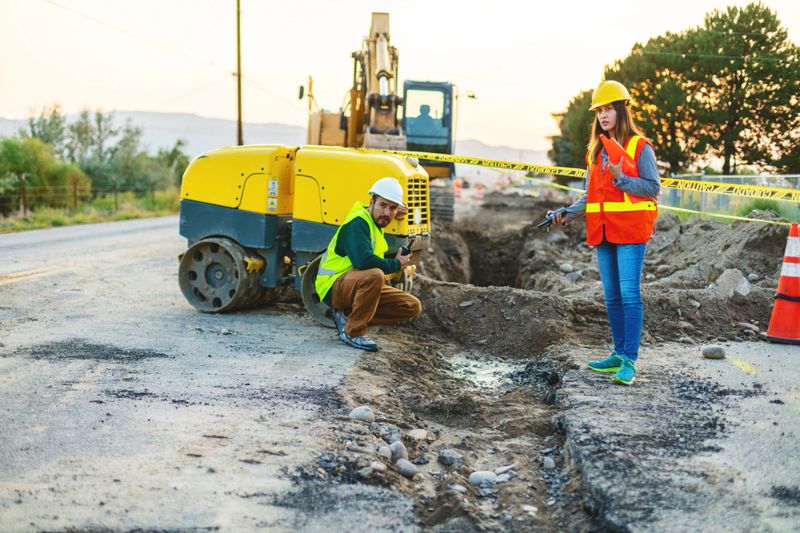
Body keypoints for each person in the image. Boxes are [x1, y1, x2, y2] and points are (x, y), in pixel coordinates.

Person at [549, 80, 661, 386]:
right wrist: (567, 213)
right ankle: (618, 352)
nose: (604, 115)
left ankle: (629, 361)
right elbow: (590, 195)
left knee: (629, 294)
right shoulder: (594, 152)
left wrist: (621, 178)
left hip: (630, 232)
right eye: (599, 110)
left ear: (623, 110)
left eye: (609, 108)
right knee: (611, 297)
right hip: (602, 232)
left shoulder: (640, 146)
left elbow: (653, 188)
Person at [314, 177, 422, 352]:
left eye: (392, 208)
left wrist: (395, 214)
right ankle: (353, 331)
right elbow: (362, 262)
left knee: (411, 306)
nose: (387, 212)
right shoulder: (358, 223)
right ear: (371, 202)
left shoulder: (375, 220)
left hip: (355, 285)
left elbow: (384, 215)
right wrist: (396, 263)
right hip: (332, 286)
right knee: (375, 275)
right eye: (383, 205)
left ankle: (349, 317)